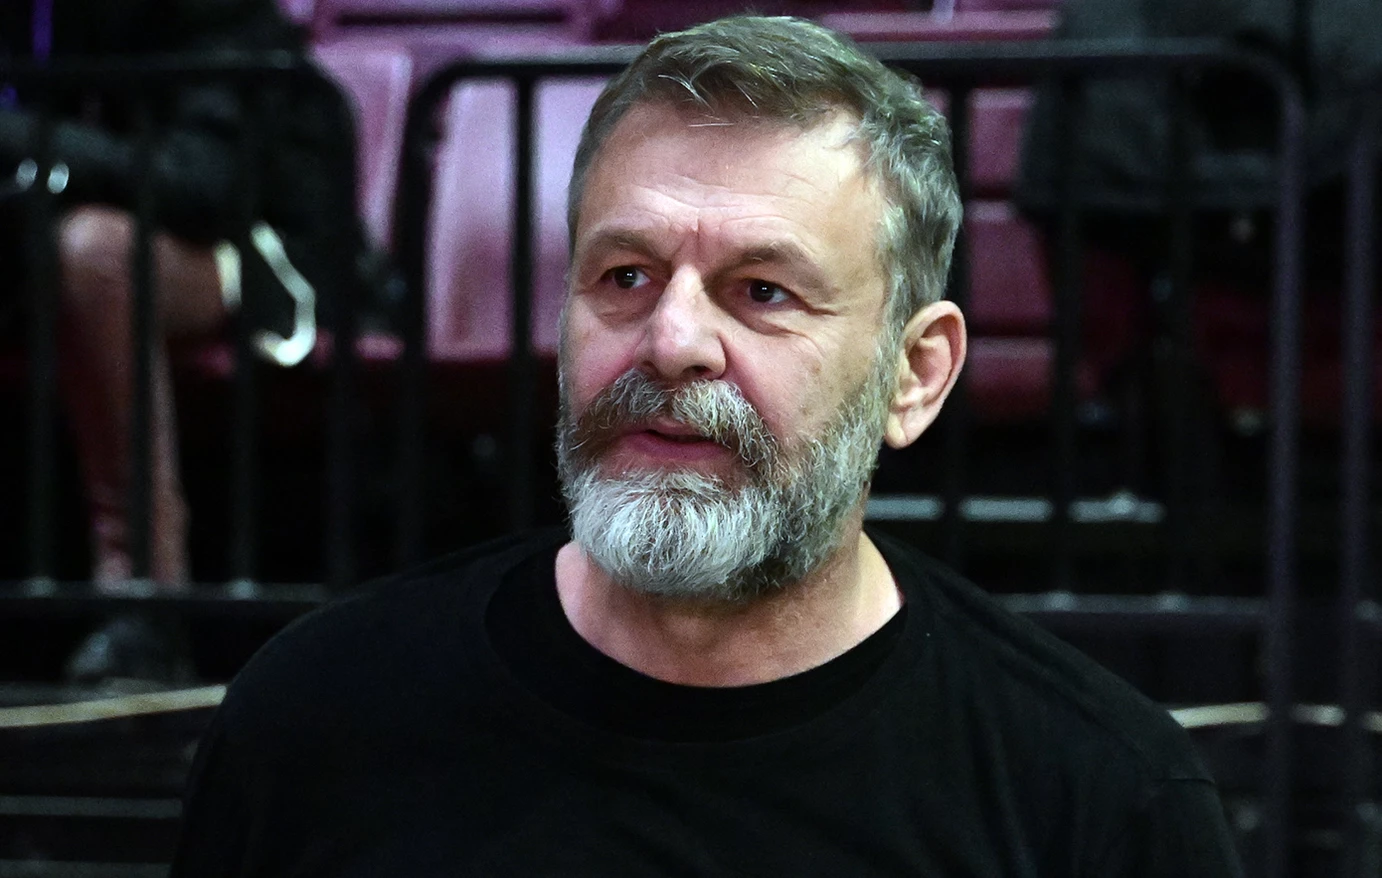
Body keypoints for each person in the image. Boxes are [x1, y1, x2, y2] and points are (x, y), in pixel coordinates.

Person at [172, 15, 1243, 876]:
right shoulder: (315, 716)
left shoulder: (1096, 798)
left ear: (914, 374)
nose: (672, 340)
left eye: (763, 291)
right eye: (625, 276)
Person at [0, 0, 369, 680]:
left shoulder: (213, 11)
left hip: (264, 251)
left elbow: (201, 186)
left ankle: (144, 600)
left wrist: (24, 139)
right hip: (53, 243)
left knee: (96, 255)